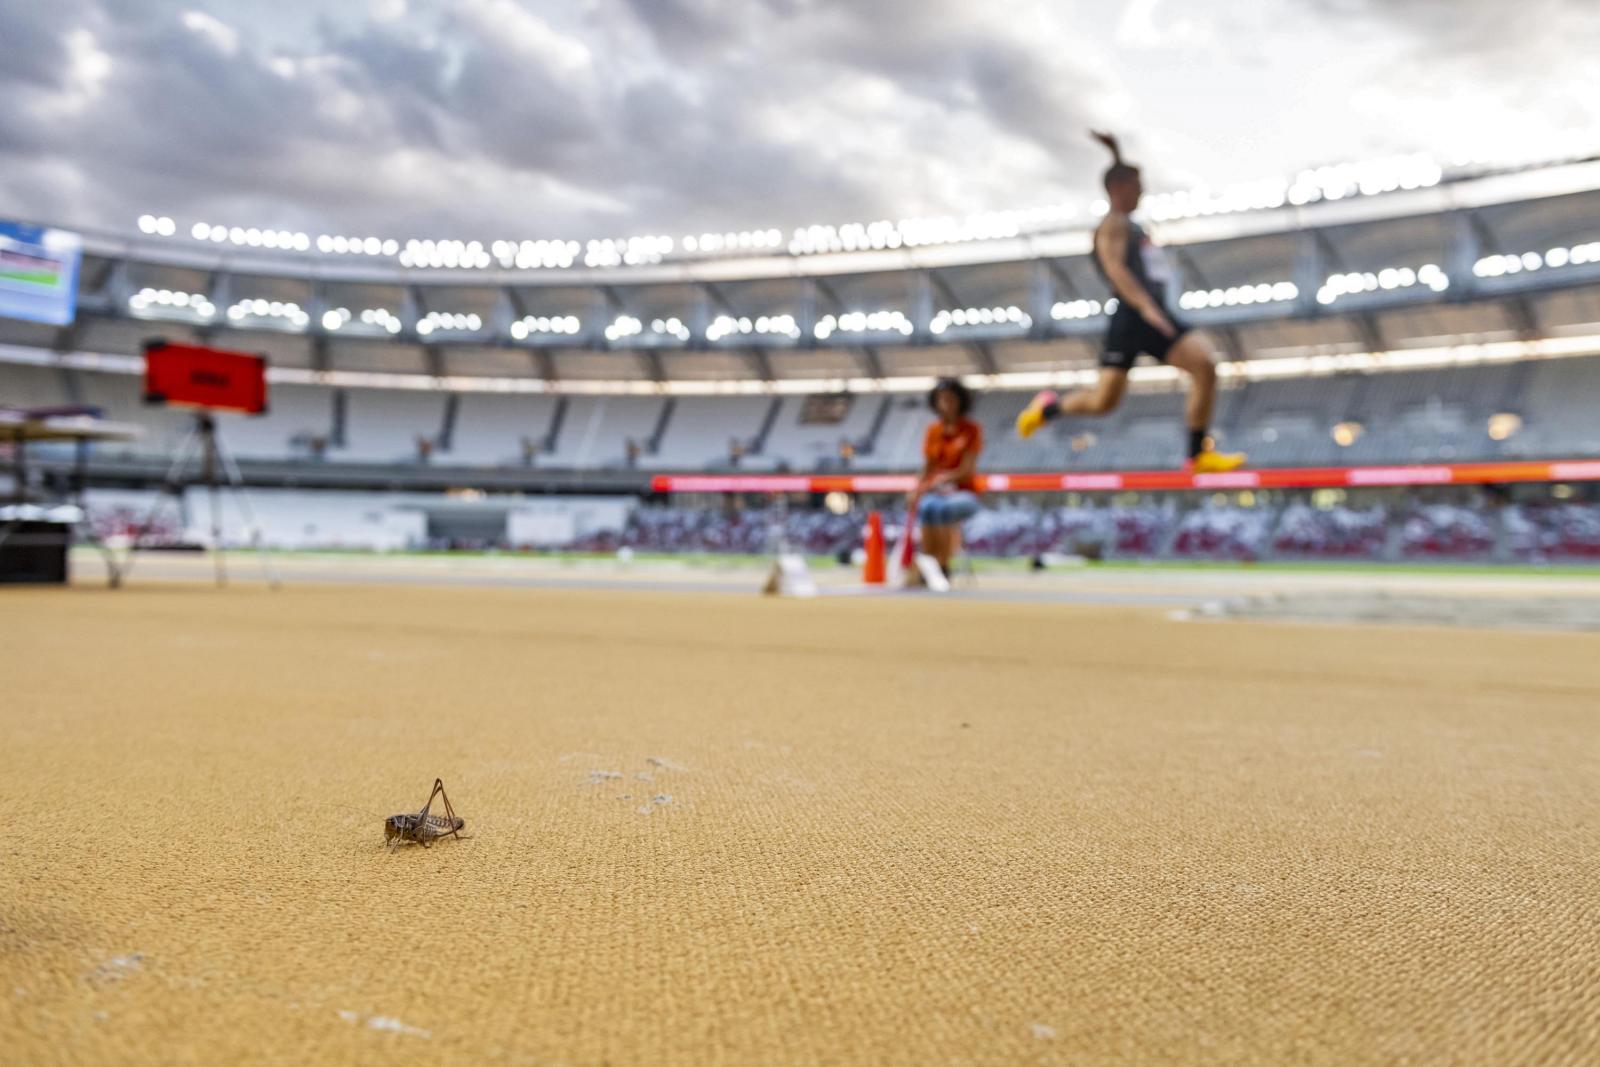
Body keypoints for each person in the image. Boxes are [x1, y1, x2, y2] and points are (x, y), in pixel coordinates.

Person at [1016, 131, 1246, 473]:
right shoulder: (1113, 225)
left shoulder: (1129, 223)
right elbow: (1115, 270)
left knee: (1116, 397)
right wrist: (1147, 308)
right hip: (1134, 315)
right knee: (1189, 371)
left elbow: (1118, 176)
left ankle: (1048, 408)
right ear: (1118, 189)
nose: (1143, 190)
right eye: (1137, 185)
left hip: (1141, 314)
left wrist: (1115, 151)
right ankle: (1196, 454)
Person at [911, 378, 983, 578]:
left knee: (943, 509)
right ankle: (928, 562)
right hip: (936, 492)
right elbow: (927, 466)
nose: (946, 404)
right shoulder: (933, 431)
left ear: (960, 401)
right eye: (942, 399)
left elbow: (966, 470)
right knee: (926, 507)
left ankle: (943, 565)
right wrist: (916, 489)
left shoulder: (971, 430)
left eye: (951, 399)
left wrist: (941, 479)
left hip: (964, 493)